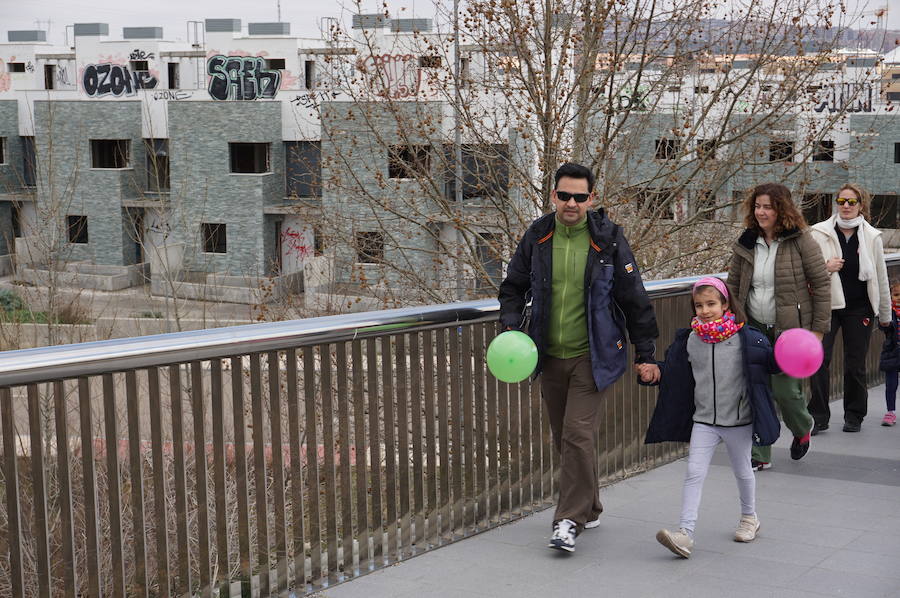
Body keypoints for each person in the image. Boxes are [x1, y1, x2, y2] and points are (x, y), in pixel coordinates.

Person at [498, 162, 659, 553]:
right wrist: (510, 330)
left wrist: (646, 353)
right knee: (565, 438)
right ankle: (592, 504)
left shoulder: (608, 238)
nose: (572, 203)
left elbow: (634, 297)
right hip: (548, 354)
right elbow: (513, 287)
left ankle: (567, 521)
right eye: (564, 195)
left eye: (580, 196)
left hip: (595, 354)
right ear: (553, 195)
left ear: (592, 198)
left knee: (576, 434)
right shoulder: (538, 236)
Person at [640, 277, 780, 558]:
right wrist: (656, 372)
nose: (704, 310)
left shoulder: (748, 338)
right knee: (694, 472)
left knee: (742, 470)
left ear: (726, 304)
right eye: (699, 305)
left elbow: (771, 364)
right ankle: (685, 533)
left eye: (711, 304)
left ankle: (749, 517)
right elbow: (675, 372)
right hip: (704, 419)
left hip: (738, 419)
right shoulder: (690, 340)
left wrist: (790, 357)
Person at [728, 183, 830, 471]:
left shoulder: (800, 240)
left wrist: (818, 331)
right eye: (758, 206)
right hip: (754, 327)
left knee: (786, 392)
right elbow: (733, 286)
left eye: (768, 207)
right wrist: (731, 320)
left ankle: (802, 425)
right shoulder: (747, 241)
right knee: (757, 389)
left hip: (791, 331)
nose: (761, 212)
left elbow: (821, 284)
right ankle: (761, 453)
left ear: (781, 209)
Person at [809, 183, 891, 433]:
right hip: (826, 306)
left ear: (861, 205)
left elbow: (880, 276)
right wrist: (826, 266)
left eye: (851, 202)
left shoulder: (872, 236)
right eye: (841, 201)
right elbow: (805, 270)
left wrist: (885, 315)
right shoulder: (818, 232)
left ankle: (854, 415)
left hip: (860, 308)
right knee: (818, 361)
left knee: (855, 364)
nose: (845, 206)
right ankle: (819, 416)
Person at [877, 280, 900, 427]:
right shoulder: (888, 311)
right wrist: (885, 322)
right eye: (896, 295)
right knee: (891, 384)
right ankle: (890, 411)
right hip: (892, 352)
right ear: (890, 296)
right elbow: (882, 326)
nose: (899, 298)